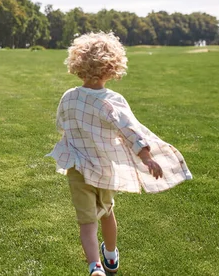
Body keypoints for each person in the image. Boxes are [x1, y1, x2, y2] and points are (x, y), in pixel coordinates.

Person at [47, 31, 192, 275]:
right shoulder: (112, 100)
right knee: (107, 212)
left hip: (77, 170)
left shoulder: (69, 97)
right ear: (112, 67)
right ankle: (111, 256)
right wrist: (146, 157)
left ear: (77, 63)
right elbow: (130, 130)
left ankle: (95, 266)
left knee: (87, 222)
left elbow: (62, 122)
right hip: (104, 169)